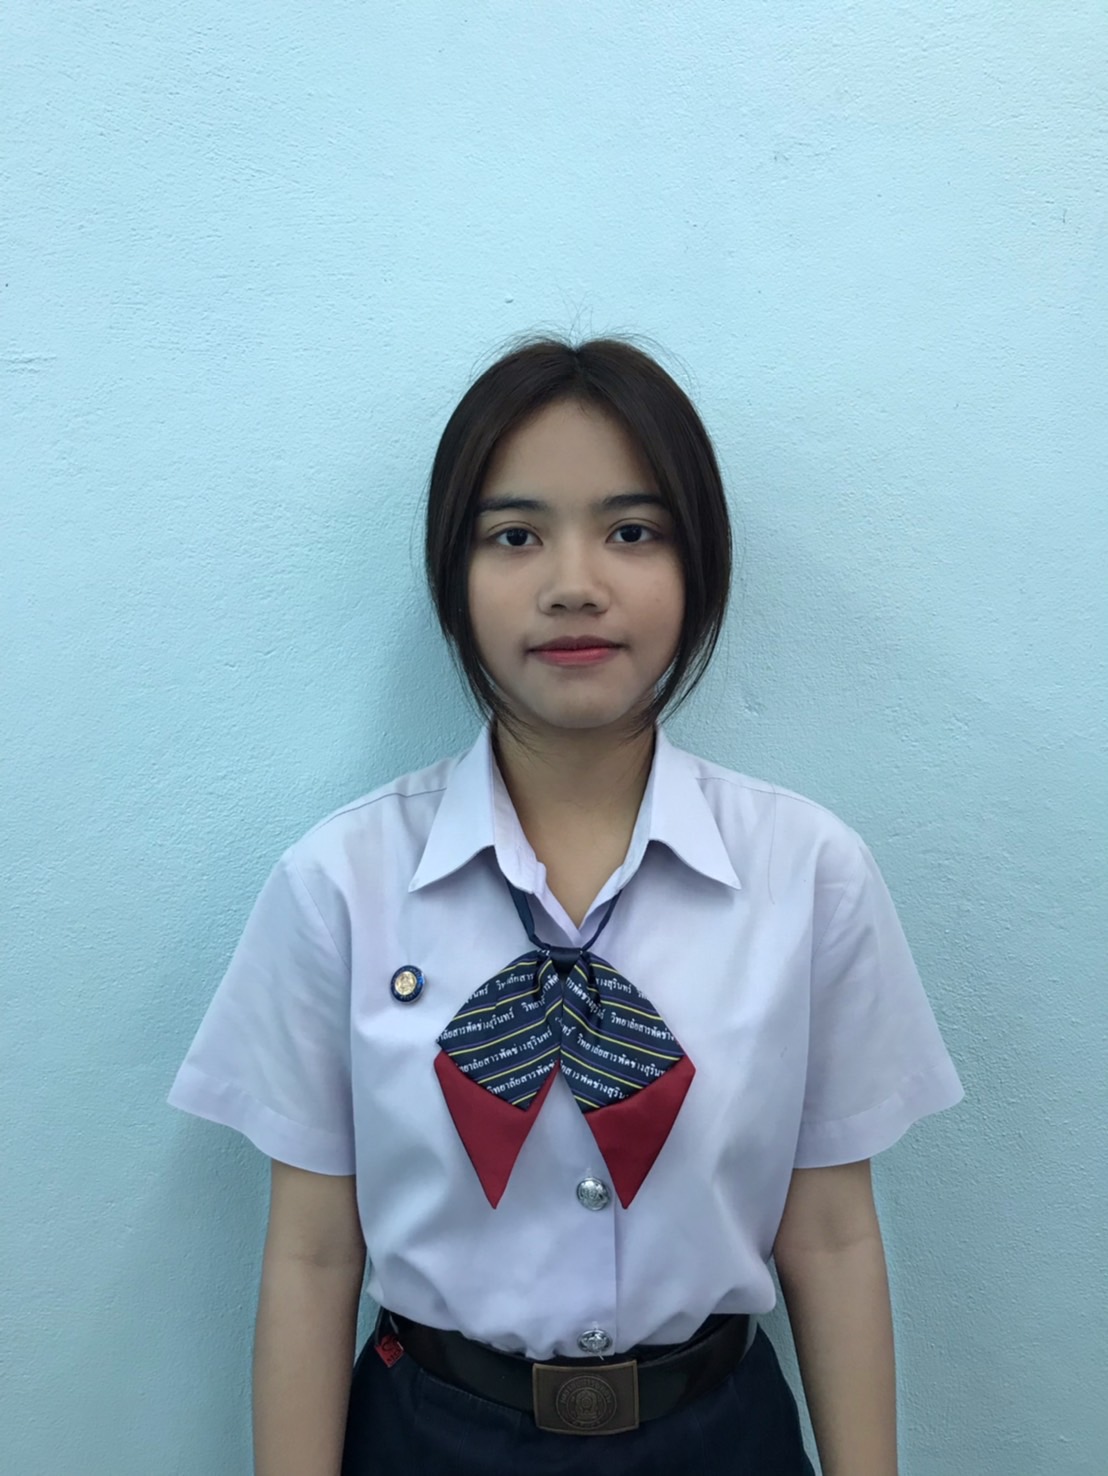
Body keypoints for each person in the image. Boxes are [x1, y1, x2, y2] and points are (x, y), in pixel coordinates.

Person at [168, 336, 964, 1476]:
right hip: (426, 1438)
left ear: (700, 563)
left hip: (720, 1438)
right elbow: (310, 1258)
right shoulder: (339, 884)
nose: (574, 582)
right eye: (516, 535)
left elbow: (831, 1238)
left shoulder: (809, 873)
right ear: (454, 572)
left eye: (632, 531)